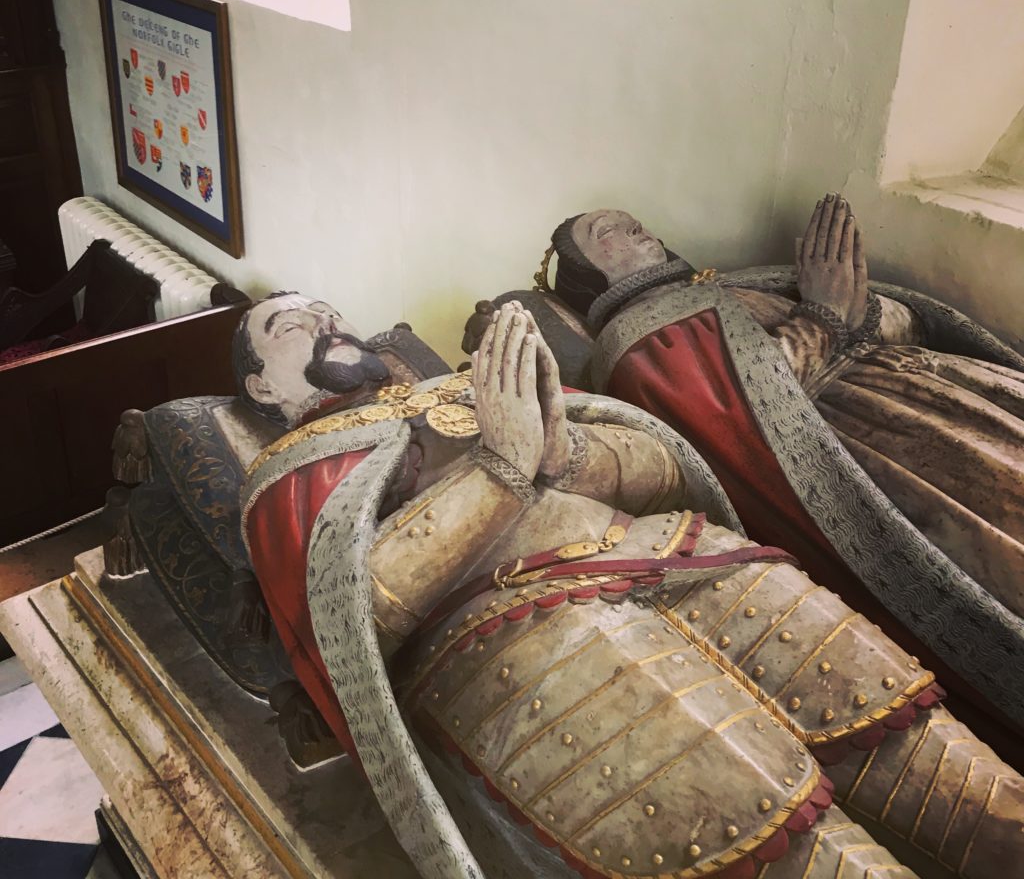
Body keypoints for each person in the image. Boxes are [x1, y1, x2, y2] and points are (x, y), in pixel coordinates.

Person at [236, 294, 1024, 879]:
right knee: (791, 846)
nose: (326, 321)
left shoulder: (465, 389)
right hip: (524, 639)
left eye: (325, 310)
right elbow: (353, 621)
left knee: (958, 779)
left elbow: (669, 471)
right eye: (290, 327)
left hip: (686, 555)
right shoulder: (290, 476)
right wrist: (500, 470)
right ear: (261, 389)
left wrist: (562, 456)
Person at [498, 199, 1024, 762]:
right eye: (606, 232)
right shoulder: (636, 339)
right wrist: (824, 317)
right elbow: (737, 415)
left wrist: (861, 307)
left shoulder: (729, 285)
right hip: (865, 440)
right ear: (585, 275)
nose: (632, 226)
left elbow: (882, 321)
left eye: (630, 218)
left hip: (931, 394)